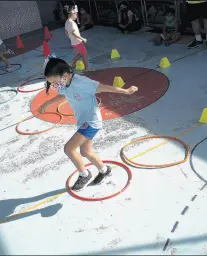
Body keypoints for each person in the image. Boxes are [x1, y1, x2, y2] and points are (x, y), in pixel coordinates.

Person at [39, 56, 138, 191]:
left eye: (55, 82)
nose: (55, 86)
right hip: (82, 121)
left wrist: (126, 91)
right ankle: (104, 170)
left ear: (65, 75)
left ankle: (84, 175)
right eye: (52, 83)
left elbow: (102, 88)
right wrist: (46, 103)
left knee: (68, 149)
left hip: (91, 121)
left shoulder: (81, 82)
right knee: (85, 151)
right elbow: (64, 94)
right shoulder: (64, 84)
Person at [64, 5, 94, 72]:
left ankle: (71, 63)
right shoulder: (71, 23)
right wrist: (82, 39)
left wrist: (70, 38)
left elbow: (66, 32)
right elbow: (74, 33)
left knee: (81, 53)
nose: (77, 16)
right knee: (84, 54)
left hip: (73, 41)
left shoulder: (67, 22)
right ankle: (86, 68)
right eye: (76, 14)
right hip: (77, 41)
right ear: (72, 14)